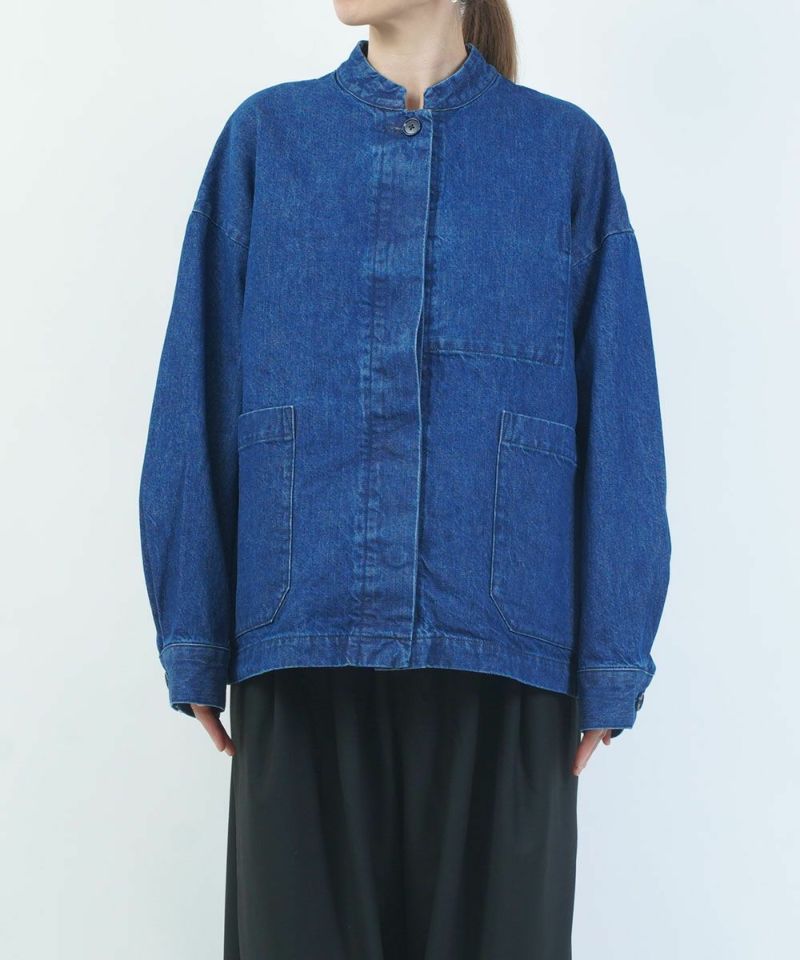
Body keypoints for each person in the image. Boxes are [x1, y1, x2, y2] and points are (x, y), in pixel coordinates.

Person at [138, 1, 671, 957]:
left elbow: (621, 412)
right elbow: (199, 387)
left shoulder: (562, 154)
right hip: (302, 640)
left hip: (505, 657)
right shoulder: (268, 140)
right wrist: (194, 632)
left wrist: (612, 661)